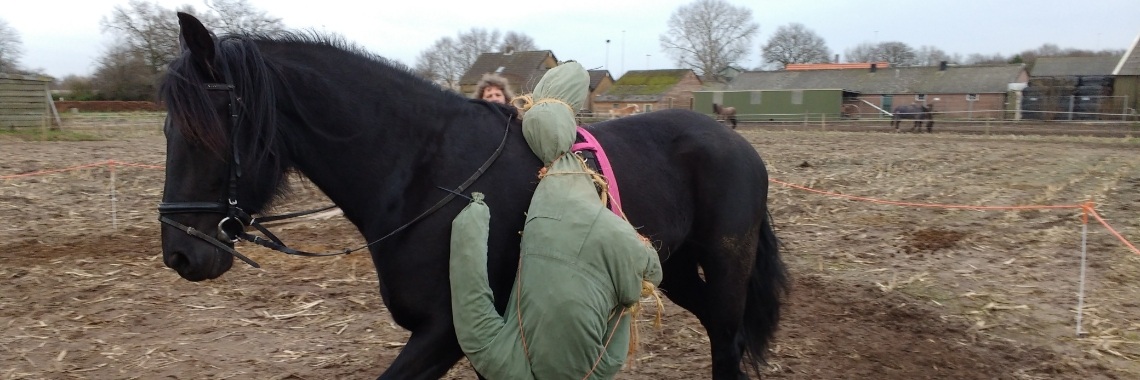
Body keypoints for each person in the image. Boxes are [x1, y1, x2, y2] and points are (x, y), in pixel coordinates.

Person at [449, 62, 662, 379]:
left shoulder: (596, 372)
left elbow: (620, 318)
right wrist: (472, 221)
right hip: (565, 209)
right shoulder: (505, 367)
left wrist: (631, 281)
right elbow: (471, 306)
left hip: (592, 220)